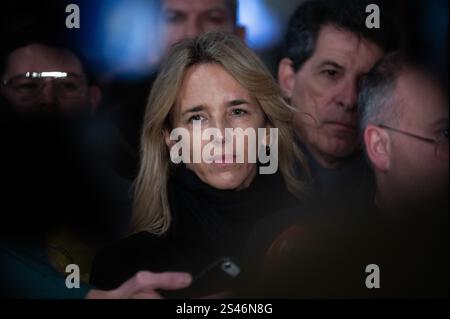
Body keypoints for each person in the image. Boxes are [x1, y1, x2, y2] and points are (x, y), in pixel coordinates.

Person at [90, 32, 309, 297]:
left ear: (266, 131)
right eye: (197, 118)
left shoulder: (324, 236)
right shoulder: (126, 269)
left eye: (237, 112)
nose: (220, 134)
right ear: (172, 140)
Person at [106, 0, 245, 179]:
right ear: (151, 34)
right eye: (175, 18)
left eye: (213, 18)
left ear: (240, 36)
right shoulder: (115, 123)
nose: (192, 32)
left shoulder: (268, 115)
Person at [277, 0, 398, 201]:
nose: (349, 99)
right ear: (288, 79)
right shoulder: (246, 170)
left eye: (366, 83)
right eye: (331, 73)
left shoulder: (401, 193)